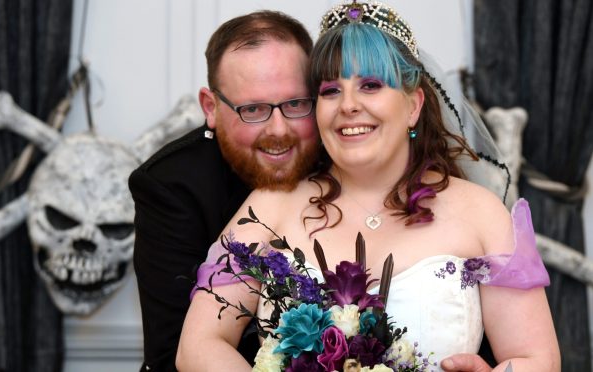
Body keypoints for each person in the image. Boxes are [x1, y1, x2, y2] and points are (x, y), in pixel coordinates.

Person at [176, 2, 560, 371]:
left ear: (413, 105)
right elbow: (200, 344)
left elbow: (536, 360)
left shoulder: (480, 214)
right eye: (330, 90)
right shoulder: (270, 207)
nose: (348, 105)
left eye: (371, 85)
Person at [128, 11, 320, 371]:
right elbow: (172, 355)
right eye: (254, 109)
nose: (279, 130)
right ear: (211, 108)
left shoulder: (343, 158)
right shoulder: (169, 186)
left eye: (295, 104)